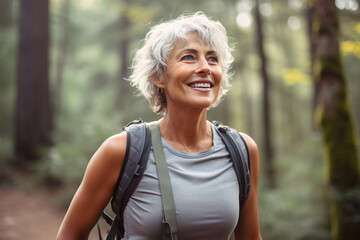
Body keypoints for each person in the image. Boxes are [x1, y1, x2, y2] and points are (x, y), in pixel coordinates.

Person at [57, 12, 262, 240]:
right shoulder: (121, 150)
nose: (205, 67)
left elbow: (251, 237)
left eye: (213, 58)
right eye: (189, 57)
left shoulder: (242, 150)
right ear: (158, 76)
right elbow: (70, 234)